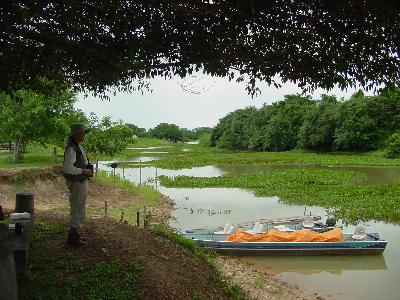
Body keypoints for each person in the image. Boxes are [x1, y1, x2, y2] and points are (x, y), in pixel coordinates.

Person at [63, 123, 93, 246]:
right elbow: (67, 168)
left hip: (81, 181)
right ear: (76, 134)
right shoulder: (71, 148)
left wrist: (87, 168)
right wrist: (83, 171)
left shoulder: (78, 146)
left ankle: (75, 234)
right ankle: (73, 237)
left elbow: (81, 162)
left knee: (79, 208)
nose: (84, 135)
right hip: (77, 183)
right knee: (77, 208)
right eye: (82, 133)